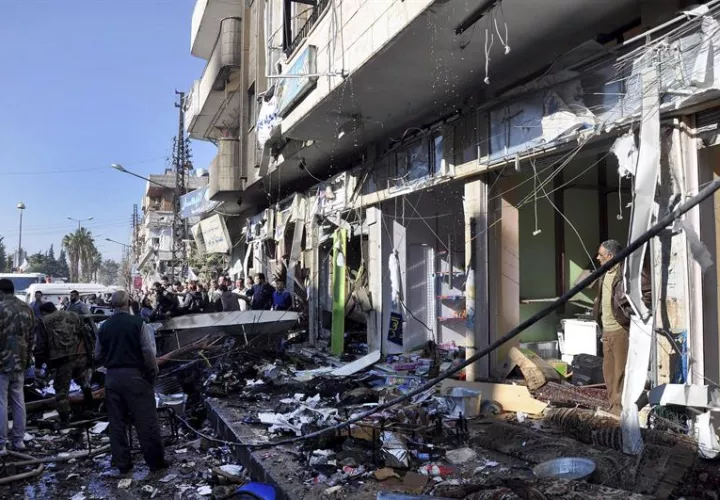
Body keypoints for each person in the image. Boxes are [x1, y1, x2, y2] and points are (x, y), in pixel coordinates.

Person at [95, 290, 167, 474]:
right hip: (136, 377)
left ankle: (122, 463)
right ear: (128, 303)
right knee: (146, 421)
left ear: (112, 305)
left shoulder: (103, 326)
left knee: (117, 423)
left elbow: (97, 355)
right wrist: (153, 374)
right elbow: (148, 353)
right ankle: (155, 462)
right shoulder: (139, 323)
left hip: (112, 377)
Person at [593, 239, 651, 415]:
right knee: (609, 372)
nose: (597, 258)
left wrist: (630, 312)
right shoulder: (604, 273)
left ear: (610, 256)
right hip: (606, 330)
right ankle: (613, 407)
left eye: (601, 255)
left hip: (620, 329)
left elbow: (648, 294)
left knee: (621, 372)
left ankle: (622, 411)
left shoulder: (628, 273)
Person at [34, 302, 93, 423]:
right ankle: (89, 407)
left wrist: (38, 365)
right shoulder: (72, 315)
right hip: (80, 354)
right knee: (83, 381)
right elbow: (84, 333)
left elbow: (40, 346)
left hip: (62, 360)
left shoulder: (43, 321)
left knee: (61, 390)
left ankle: (65, 418)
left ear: (43, 312)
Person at [0, 279, 34, 455]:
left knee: (1, 401)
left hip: (2, 362)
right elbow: (31, 337)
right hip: (21, 361)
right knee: (18, 401)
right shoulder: (26, 308)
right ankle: (19, 440)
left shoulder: (1, 308)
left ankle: (2, 443)